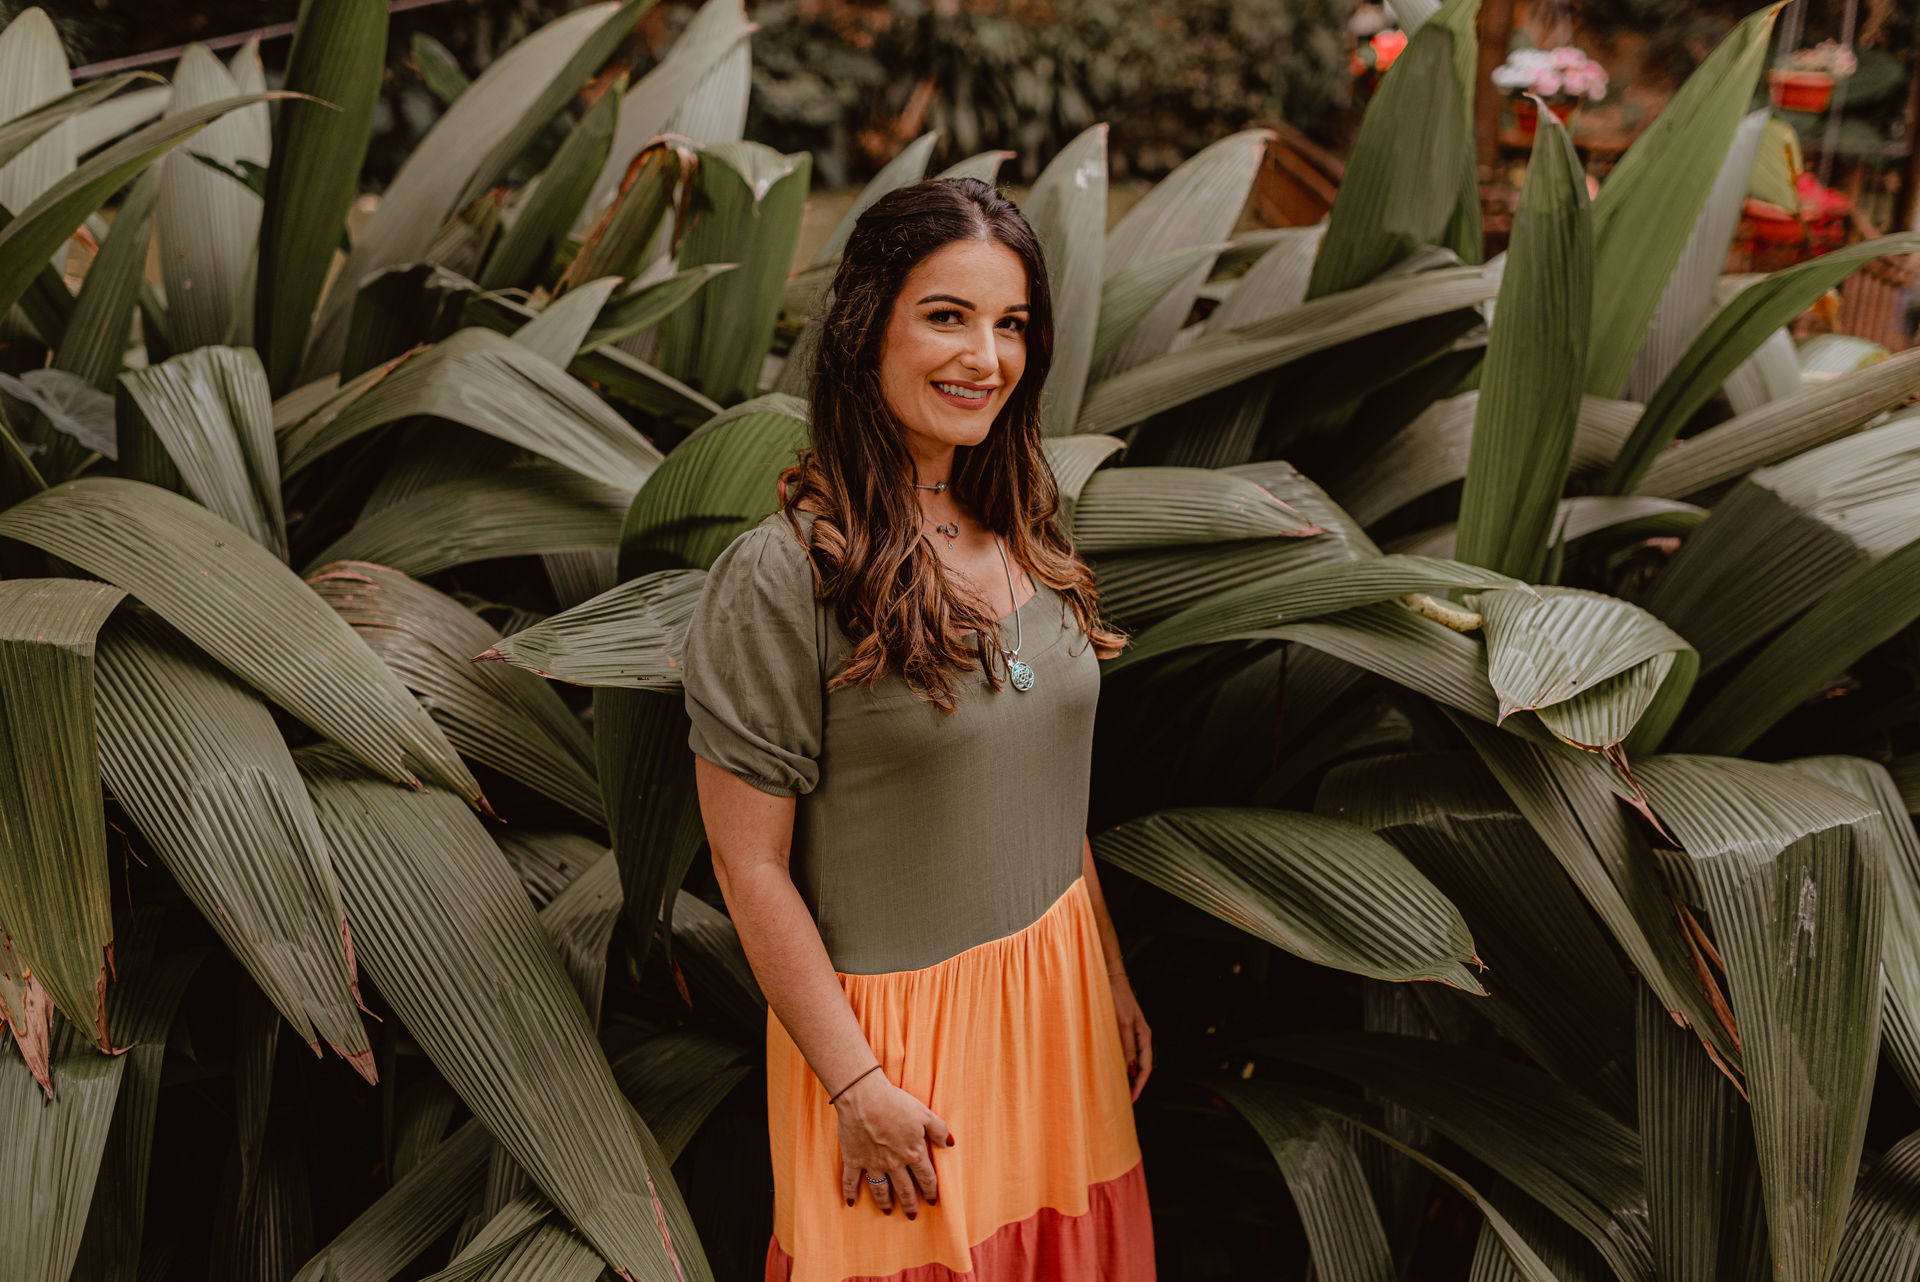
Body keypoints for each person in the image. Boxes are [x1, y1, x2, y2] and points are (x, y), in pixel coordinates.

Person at [682, 175, 1155, 1281]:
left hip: (1060, 1006)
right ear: (865, 327)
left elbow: (1046, 788)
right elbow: (746, 866)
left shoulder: (1023, 516)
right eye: (947, 315)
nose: (984, 357)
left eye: (1011, 324)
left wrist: (1113, 976)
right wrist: (856, 1089)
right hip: (900, 1061)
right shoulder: (785, 575)